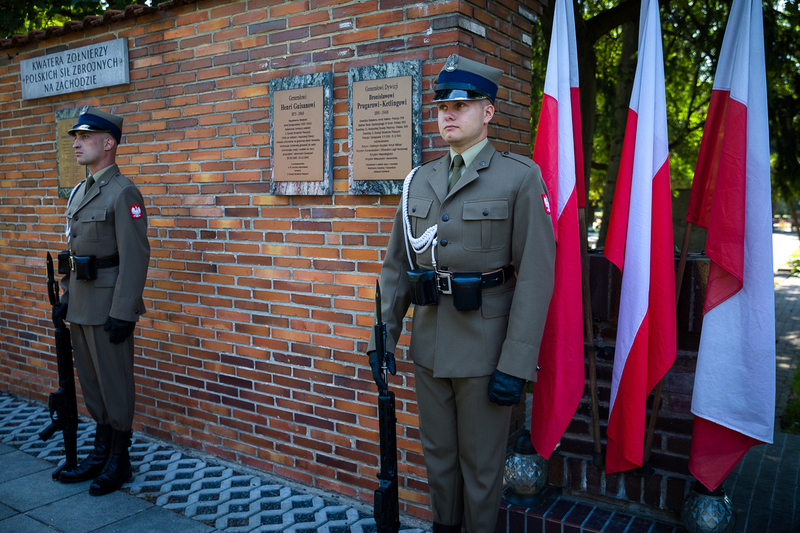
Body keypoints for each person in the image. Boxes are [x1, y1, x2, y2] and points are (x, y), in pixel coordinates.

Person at [367, 55, 556, 532]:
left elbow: (535, 275)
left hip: (485, 352)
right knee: (440, 467)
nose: (448, 114)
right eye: (441, 107)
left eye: (463, 104)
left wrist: (516, 363)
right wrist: (382, 339)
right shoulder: (421, 179)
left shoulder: (519, 177)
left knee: (481, 472)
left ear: (488, 112)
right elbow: (397, 268)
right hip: (429, 345)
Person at [54, 107, 150, 496]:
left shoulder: (123, 191)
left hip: (110, 305)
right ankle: (100, 451)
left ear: (108, 143)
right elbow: (74, 250)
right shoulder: (81, 189)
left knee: (115, 385)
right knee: (92, 385)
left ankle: (119, 460)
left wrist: (124, 311)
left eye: (85, 137)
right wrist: (65, 297)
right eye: (75, 137)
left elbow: (135, 255)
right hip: (81, 303)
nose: (76, 143)